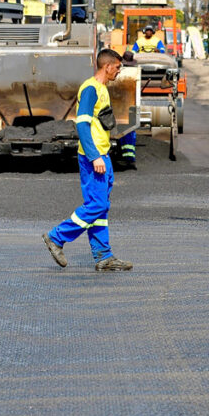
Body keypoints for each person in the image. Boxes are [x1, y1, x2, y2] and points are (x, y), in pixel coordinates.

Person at [43, 49, 133, 272]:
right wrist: (94, 156)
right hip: (93, 157)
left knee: (101, 209)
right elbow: (82, 124)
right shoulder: (91, 88)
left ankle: (104, 257)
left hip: (103, 155)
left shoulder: (102, 88)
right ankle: (56, 237)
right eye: (118, 67)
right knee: (97, 205)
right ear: (107, 66)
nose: (119, 72)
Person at [117, 51, 138, 168]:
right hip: (129, 106)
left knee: (124, 131)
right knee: (129, 131)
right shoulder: (134, 73)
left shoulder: (119, 73)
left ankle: (126, 156)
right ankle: (129, 157)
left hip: (122, 106)